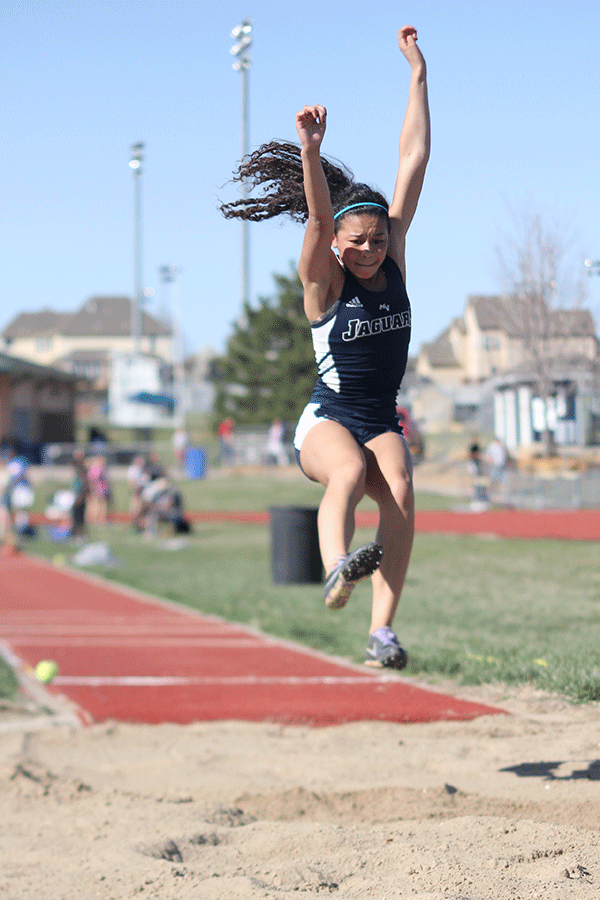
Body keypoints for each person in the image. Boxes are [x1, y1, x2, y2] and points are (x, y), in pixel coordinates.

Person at [221, 26, 430, 669]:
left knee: (399, 489)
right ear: (338, 246)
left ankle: (382, 634)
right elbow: (317, 220)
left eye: (377, 239)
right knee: (346, 472)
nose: (369, 251)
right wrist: (311, 152)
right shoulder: (325, 285)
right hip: (329, 418)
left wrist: (418, 76)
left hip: (379, 416)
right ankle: (339, 566)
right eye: (357, 243)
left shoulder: (392, 257)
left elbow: (412, 161)